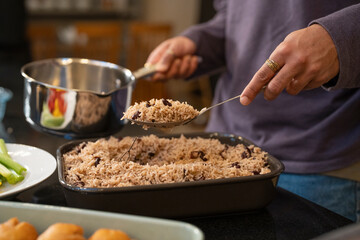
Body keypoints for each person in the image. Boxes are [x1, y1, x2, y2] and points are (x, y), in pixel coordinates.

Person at [145, 0, 360, 222]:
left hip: (321, 156)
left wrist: (337, 38)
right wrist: (196, 42)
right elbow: (237, 20)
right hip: (220, 150)